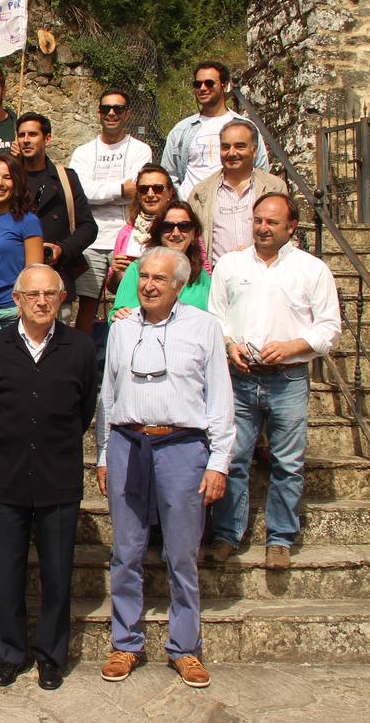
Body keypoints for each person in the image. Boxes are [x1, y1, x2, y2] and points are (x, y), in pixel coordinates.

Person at [96, 247, 234, 690]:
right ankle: (126, 643)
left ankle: (185, 647)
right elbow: (108, 394)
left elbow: (220, 399)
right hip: (127, 443)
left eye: (160, 278)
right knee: (127, 551)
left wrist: (218, 461)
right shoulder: (122, 328)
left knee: (181, 554)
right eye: (144, 276)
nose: (150, 284)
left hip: (183, 446)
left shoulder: (204, 328)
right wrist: (103, 453)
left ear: (178, 286)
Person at [0, 264, 98, 690]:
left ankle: (51, 656)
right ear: (17, 300)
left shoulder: (81, 349)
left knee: (57, 573)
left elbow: (84, 411)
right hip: (7, 479)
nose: (42, 301)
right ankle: (10, 654)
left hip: (58, 477)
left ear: (63, 298)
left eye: (51, 294)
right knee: (7, 574)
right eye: (33, 295)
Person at [208, 193, 341, 569]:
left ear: (291, 227)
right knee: (233, 458)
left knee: (288, 462)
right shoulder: (230, 265)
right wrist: (229, 343)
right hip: (241, 375)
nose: (263, 228)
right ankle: (226, 534)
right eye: (258, 221)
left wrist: (292, 346)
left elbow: (330, 328)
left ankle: (280, 538)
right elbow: (215, 316)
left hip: (288, 377)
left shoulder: (312, 270)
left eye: (272, 222)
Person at [68, 90, 153, 327]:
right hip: (92, 240)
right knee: (86, 305)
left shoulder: (141, 150)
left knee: (130, 301)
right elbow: (82, 193)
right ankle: (85, 362)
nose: (111, 113)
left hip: (128, 238)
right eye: (106, 109)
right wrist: (119, 190)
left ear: (128, 113)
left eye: (117, 108)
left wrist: (100, 193)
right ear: (99, 113)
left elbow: (137, 189)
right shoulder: (83, 153)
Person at [14, 112, 96, 308]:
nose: (26, 140)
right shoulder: (8, 179)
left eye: (32, 134)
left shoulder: (66, 179)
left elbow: (88, 226)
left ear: (47, 138)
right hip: (15, 282)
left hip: (56, 281)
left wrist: (63, 249)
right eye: (21, 135)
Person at [161, 60, 269, 200]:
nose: (203, 88)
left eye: (209, 83)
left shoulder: (246, 128)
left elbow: (261, 170)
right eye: (197, 84)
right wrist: (181, 205)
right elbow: (168, 175)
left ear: (224, 85)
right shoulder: (181, 131)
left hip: (234, 208)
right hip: (192, 212)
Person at [188, 118, 287, 267]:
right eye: (225, 147)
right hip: (218, 278)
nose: (232, 153)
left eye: (240, 146)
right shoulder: (201, 193)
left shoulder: (274, 188)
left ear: (254, 151)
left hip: (265, 271)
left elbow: (284, 234)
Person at [0, 156, 43, 333]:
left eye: (7, 177)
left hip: (15, 314)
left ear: (17, 183)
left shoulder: (28, 221)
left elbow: (34, 272)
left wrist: (25, 309)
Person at [110, 201, 212, 319]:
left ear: (194, 233)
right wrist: (117, 316)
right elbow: (116, 315)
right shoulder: (137, 269)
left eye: (184, 226)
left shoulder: (201, 275)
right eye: (168, 227)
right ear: (159, 232)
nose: (176, 233)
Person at [108, 164, 177, 291]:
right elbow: (114, 288)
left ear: (170, 192)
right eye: (144, 189)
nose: (150, 194)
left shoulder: (181, 227)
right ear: (138, 195)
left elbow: (199, 267)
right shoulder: (126, 232)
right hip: (132, 303)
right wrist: (115, 271)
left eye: (157, 188)